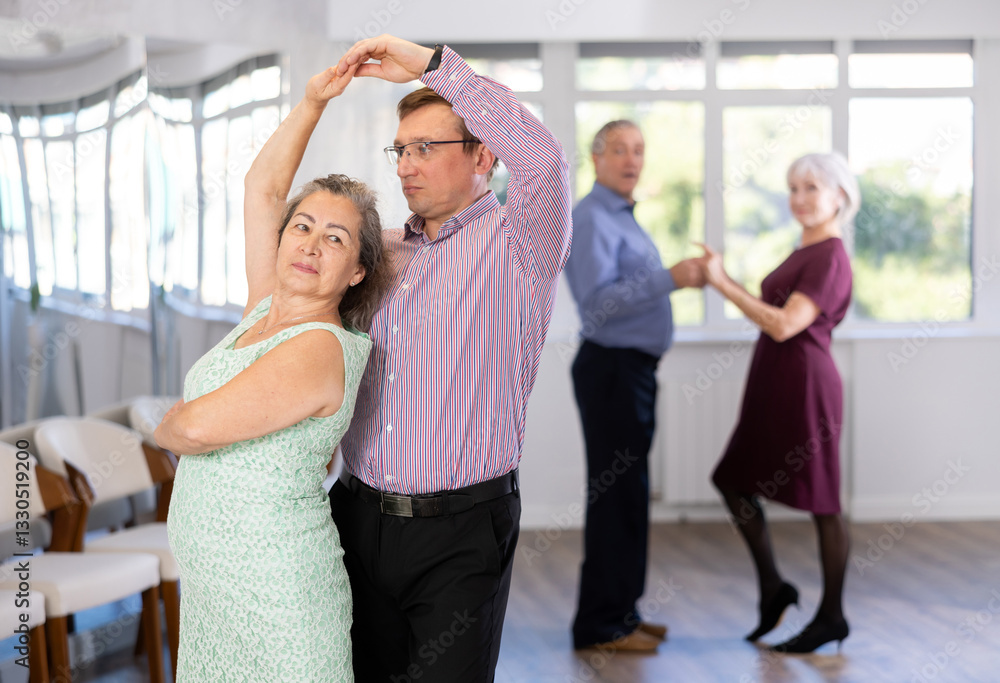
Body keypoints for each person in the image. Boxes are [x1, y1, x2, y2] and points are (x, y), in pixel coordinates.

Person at [327, 36, 572, 681]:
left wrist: (436, 66)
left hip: (460, 531)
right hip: (356, 516)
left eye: (426, 148)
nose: (406, 165)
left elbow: (544, 164)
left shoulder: (519, 243)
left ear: (482, 156)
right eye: (401, 150)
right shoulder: (376, 254)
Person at [156, 62, 388, 681]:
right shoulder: (265, 308)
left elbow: (196, 430)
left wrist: (168, 424)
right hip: (217, 597)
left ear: (357, 271)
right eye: (302, 226)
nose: (310, 245)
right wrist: (313, 99)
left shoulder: (321, 345)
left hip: (279, 600)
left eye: (335, 240)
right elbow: (261, 188)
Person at [699, 151, 858, 654]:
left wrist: (722, 284)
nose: (800, 198)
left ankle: (832, 615)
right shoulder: (803, 250)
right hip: (775, 381)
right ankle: (774, 588)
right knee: (732, 480)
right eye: (793, 188)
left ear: (840, 196)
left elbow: (786, 323)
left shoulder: (830, 255)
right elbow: (777, 315)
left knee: (824, 503)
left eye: (812, 188)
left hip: (807, 386)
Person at [565, 120, 706, 652]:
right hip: (612, 372)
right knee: (615, 497)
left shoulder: (622, 217)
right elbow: (599, 303)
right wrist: (672, 276)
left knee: (630, 497)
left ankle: (623, 612)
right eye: (619, 149)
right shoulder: (591, 218)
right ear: (597, 158)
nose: (631, 159)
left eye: (639, 150)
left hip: (632, 373)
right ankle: (600, 625)